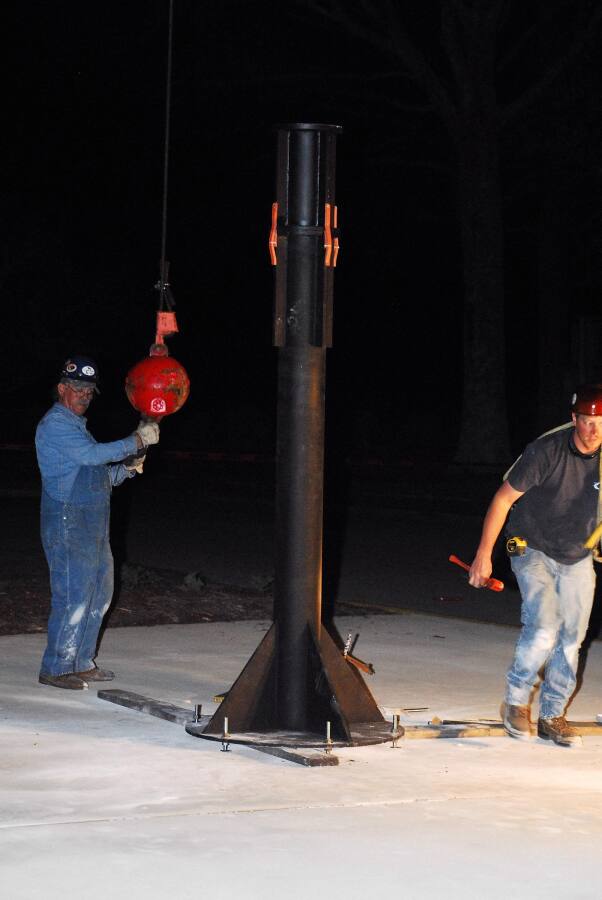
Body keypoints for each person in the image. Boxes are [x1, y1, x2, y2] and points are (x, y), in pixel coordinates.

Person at [469, 385, 602, 747]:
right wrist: (484, 555)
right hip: (532, 546)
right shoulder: (546, 451)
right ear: (574, 419)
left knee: (572, 638)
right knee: (544, 627)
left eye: (600, 423)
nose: (593, 431)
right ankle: (514, 702)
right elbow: (502, 500)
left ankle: (552, 715)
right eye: (587, 422)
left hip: (578, 553)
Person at [35, 355, 160, 690]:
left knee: (99, 595)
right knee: (73, 594)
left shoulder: (78, 428)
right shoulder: (56, 424)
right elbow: (91, 456)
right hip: (67, 519)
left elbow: (97, 474)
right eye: (77, 389)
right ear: (62, 389)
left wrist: (128, 469)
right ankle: (56, 667)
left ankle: (81, 661)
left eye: (89, 391)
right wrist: (136, 441)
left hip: (92, 523)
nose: (84, 395)